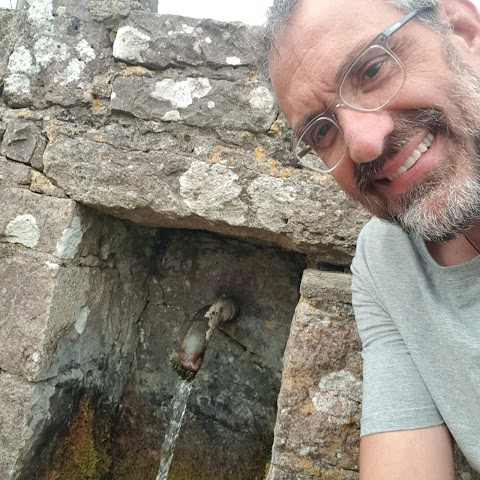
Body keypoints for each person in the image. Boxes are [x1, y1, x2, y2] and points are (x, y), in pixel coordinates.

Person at [265, 0, 480, 477]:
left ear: (462, 28)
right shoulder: (386, 261)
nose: (363, 143)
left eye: (373, 69)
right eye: (323, 132)